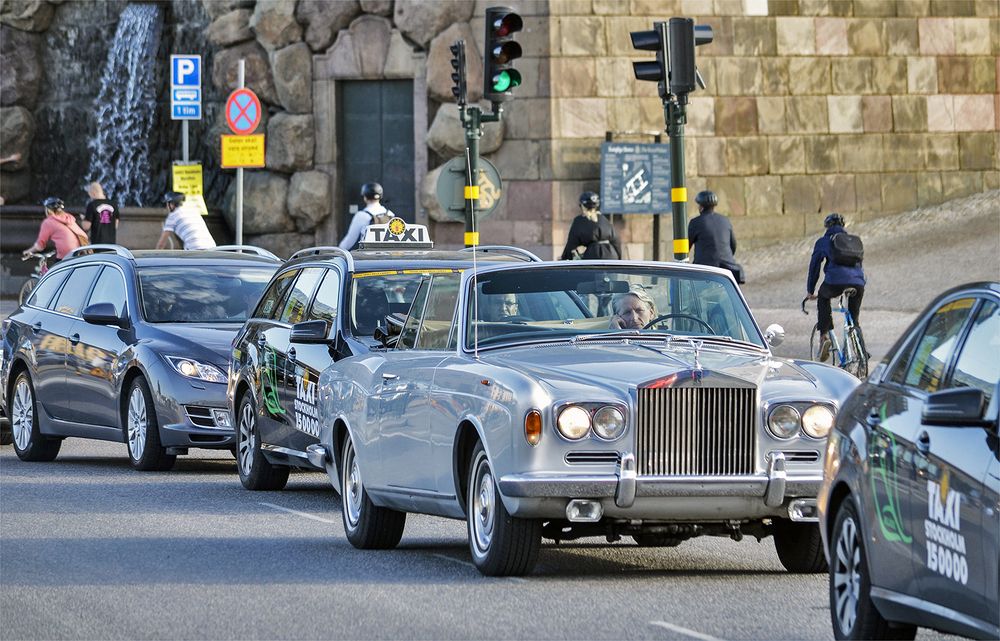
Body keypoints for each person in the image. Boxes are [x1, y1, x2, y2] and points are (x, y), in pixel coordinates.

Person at [807, 213, 866, 360]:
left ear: (827, 226)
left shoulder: (824, 241)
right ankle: (860, 350)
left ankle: (824, 336)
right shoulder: (853, 241)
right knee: (854, 318)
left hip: (835, 281)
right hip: (858, 283)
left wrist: (810, 290)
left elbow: (815, 267)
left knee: (823, 296)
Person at [688, 190, 741, 281]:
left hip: (705, 270)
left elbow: (686, 247)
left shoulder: (695, 222)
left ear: (701, 207)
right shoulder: (725, 220)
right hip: (728, 269)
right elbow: (733, 245)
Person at [22, 197, 88, 263]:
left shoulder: (48, 222)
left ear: (48, 210)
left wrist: (28, 251)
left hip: (66, 255)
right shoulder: (68, 218)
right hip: (80, 252)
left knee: (55, 271)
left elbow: (40, 245)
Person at [560, 191, 622, 261]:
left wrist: (565, 258)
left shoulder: (579, 221)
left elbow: (571, 243)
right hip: (611, 256)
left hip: (593, 256)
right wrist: (619, 257)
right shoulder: (603, 219)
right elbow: (616, 241)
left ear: (582, 206)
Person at [338, 182, 395, 250]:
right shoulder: (390, 214)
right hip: (388, 256)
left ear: (365, 197)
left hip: (369, 257)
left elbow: (349, 241)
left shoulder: (361, 215)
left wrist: (339, 251)